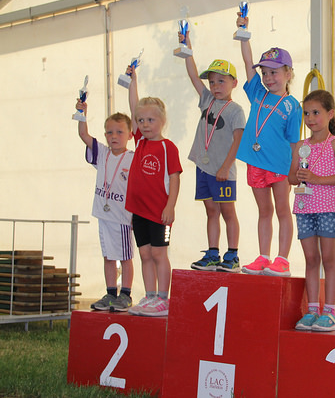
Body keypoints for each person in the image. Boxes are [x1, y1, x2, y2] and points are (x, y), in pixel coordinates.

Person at [235, 13, 302, 276]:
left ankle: (282, 260)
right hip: (255, 163)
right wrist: (243, 33)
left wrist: (294, 170)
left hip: (280, 166)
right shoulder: (257, 94)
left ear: (288, 73)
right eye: (264, 73)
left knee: (283, 210)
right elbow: (247, 62)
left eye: (274, 72)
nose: (268, 77)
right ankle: (263, 257)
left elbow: (295, 143)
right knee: (264, 210)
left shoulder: (292, 106)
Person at [179, 31, 246, 273]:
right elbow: (192, 76)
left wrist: (226, 167)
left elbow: (238, 141)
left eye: (221, 81)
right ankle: (213, 253)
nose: (216, 86)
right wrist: (187, 48)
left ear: (234, 83)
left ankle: (233, 254)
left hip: (223, 171)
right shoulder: (207, 101)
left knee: (228, 211)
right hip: (204, 167)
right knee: (211, 211)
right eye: (212, 82)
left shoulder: (236, 110)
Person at [288, 90, 335, 332]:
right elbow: (291, 178)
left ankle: (330, 312)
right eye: (306, 113)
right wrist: (300, 176)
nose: (311, 118)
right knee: (311, 259)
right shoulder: (301, 146)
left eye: (316, 112)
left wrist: (316, 179)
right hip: (305, 208)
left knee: (329, 258)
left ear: (330, 114)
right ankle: (312, 309)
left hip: (329, 208)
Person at [125, 65, 182, 317]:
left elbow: (174, 178)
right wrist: (132, 81)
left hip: (159, 212)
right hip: (139, 211)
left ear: (162, 121)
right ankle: (149, 296)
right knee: (144, 253)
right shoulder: (139, 141)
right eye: (141, 121)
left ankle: (163, 299)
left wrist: (170, 206)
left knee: (159, 253)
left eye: (151, 120)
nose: (145, 125)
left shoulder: (168, 147)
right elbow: (133, 105)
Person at [76, 99, 135, 312]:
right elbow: (83, 134)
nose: (114, 136)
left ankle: (125, 294)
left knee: (125, 256)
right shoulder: (102, 153)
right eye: (109, 132)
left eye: (119, 132)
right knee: (108, 255)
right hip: (103, 214)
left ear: (130, 135)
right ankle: (110, 293)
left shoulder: (133, 158)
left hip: (122, 217)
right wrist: (82, 114)